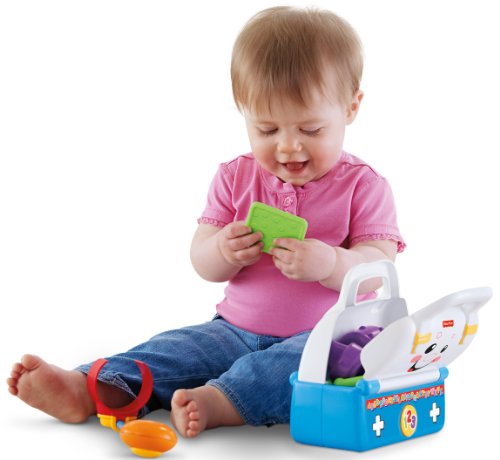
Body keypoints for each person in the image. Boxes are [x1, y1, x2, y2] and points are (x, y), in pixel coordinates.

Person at [6, 6, 405, 439]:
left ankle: (222, 401)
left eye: (310, 130)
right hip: (231, 329)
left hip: (323, 336)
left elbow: (377, 270)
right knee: (176, 349)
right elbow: (202, 260)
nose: (288, 147)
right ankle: (92, 387)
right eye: (267, 130)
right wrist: (223, 250)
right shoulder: (235, 176)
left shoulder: (364, 185)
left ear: (351, 107)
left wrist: (330, 264)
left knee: (306, 366)